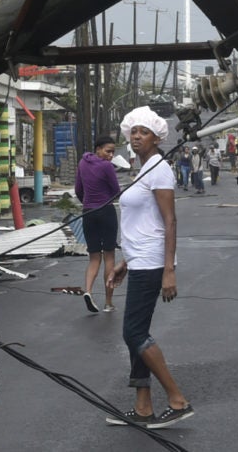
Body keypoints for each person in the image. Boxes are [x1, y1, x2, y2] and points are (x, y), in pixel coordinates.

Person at [104, 106, 194, 428]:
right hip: (141, 261)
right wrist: (126, 263)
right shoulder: (142, 169)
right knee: (134, 335)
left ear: (156, 137)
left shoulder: (158, 169)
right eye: (134, 132)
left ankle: (177, 399)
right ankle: (143, 407)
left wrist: (169, 269)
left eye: (144, 132)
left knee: (134, 332)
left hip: (154, 264)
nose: (137, 136)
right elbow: (146, 224)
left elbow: (169, 221)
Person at [74, 135, 122, 314]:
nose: (110, 155)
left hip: (88, 213)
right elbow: (116, 191)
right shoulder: (107, 167)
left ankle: (88, 291)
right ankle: (108, 302)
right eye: (108, 151)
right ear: (98, 149)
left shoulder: (82, 163)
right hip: (106, 211)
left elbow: (78, 190)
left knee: (94, 257)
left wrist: (87, 203)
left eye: (113, 152)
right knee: (109, 256)